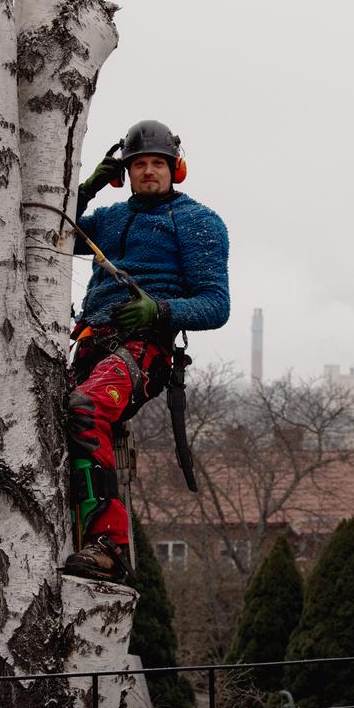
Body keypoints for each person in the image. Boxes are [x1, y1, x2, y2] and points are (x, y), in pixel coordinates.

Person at [63, 119, 230, 581]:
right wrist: (87, 188)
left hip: (145, 349)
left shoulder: (197, 222)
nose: (149, 171)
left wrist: (158, 311)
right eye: (139, 165)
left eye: (158, 163)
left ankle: (108, 546)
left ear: (176, 168)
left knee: (86, 409)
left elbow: (216, 304)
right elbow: (55, 229)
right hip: (91, 343)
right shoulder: (111, 219)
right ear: (126, 172)